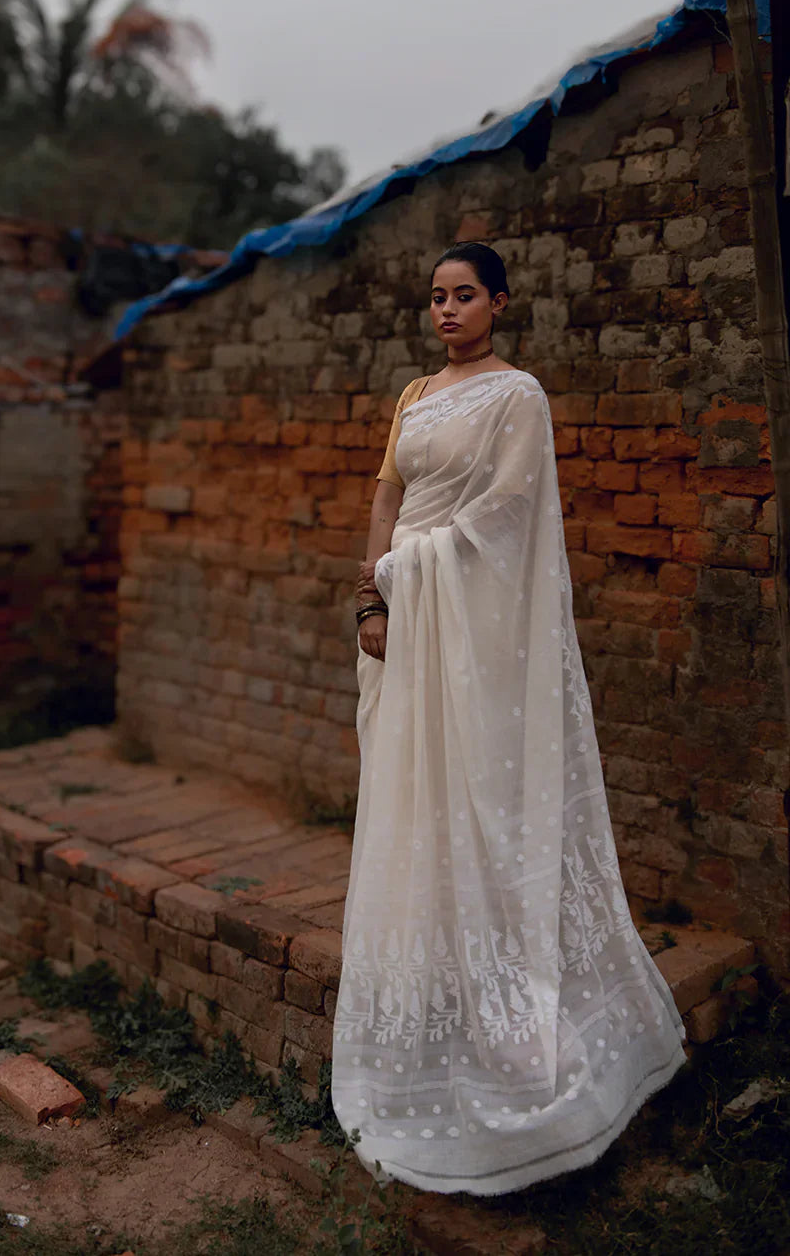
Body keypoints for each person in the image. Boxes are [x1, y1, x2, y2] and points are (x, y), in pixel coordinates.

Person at [330, 242, 686, 1196]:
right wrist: (373, 600)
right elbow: (388, 499)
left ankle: (517, 1016)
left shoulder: (516, 396)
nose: (447, 311)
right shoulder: (411, 397)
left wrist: (414, 573)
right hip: (407, 622)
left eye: (463, 296)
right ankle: (429, 988)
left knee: (480, 793)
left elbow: (506, 516)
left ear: (497, 302)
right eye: (436, 298)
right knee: (412, 800)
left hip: (472, 632)